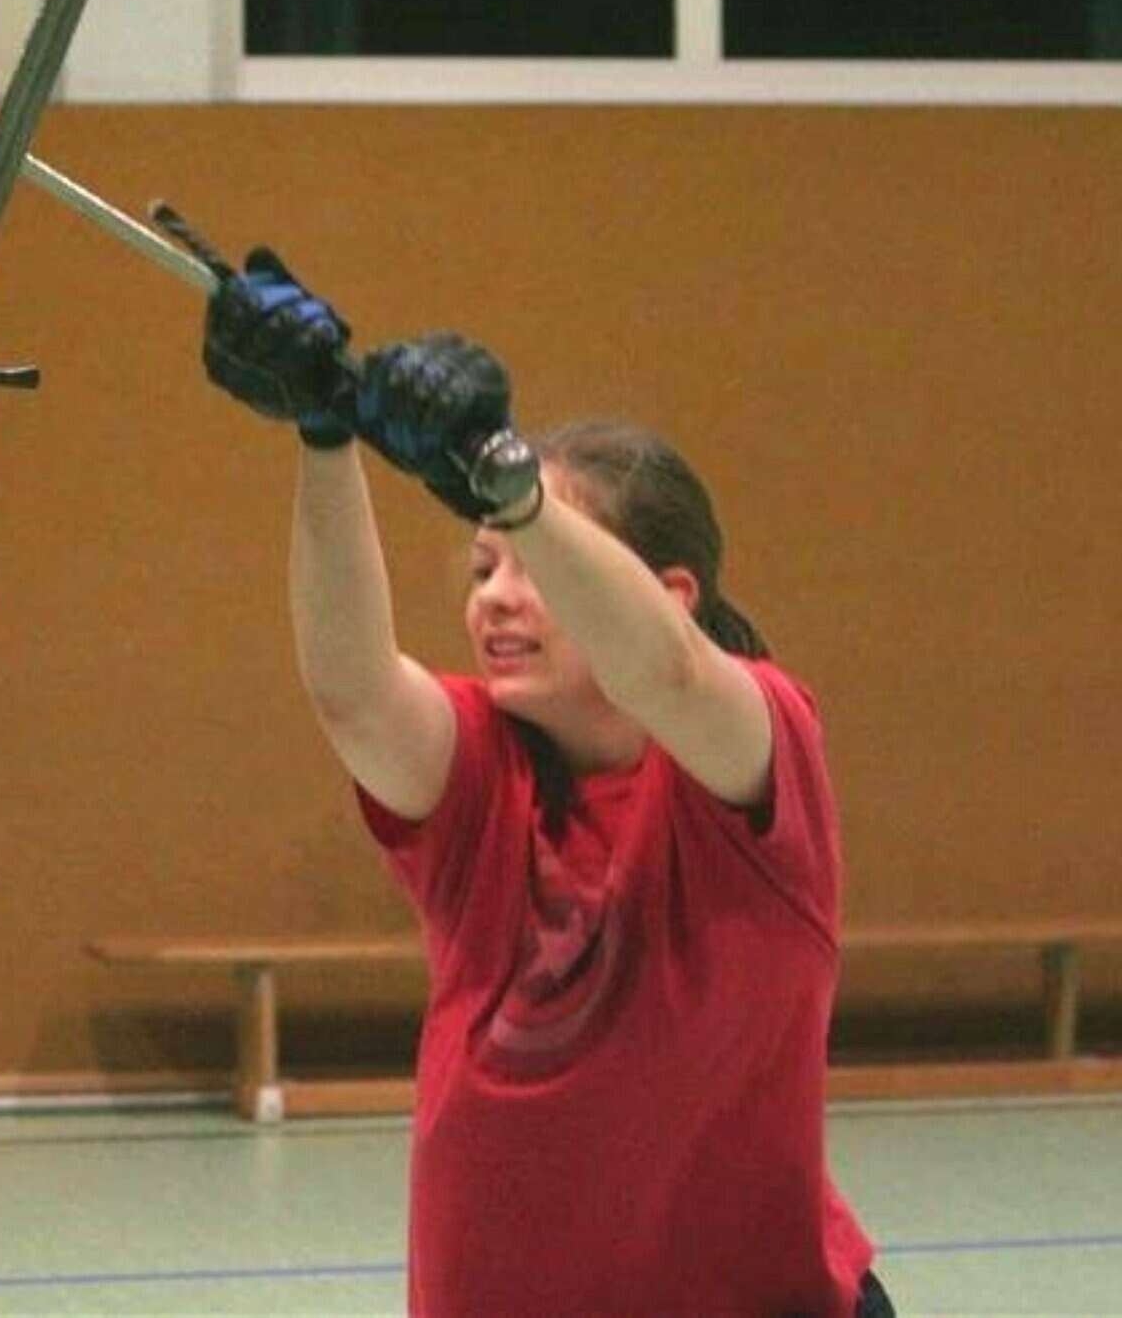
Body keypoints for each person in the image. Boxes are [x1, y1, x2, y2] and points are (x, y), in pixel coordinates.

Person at [198, 247, 892, 1317]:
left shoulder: (758, 742)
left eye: (530, 566)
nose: (495, 599)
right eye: (480, 568)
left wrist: (512, 484)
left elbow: (660, 668)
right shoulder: (482, 765)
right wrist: (323, 432)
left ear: (666, 591)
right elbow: (352, 696)